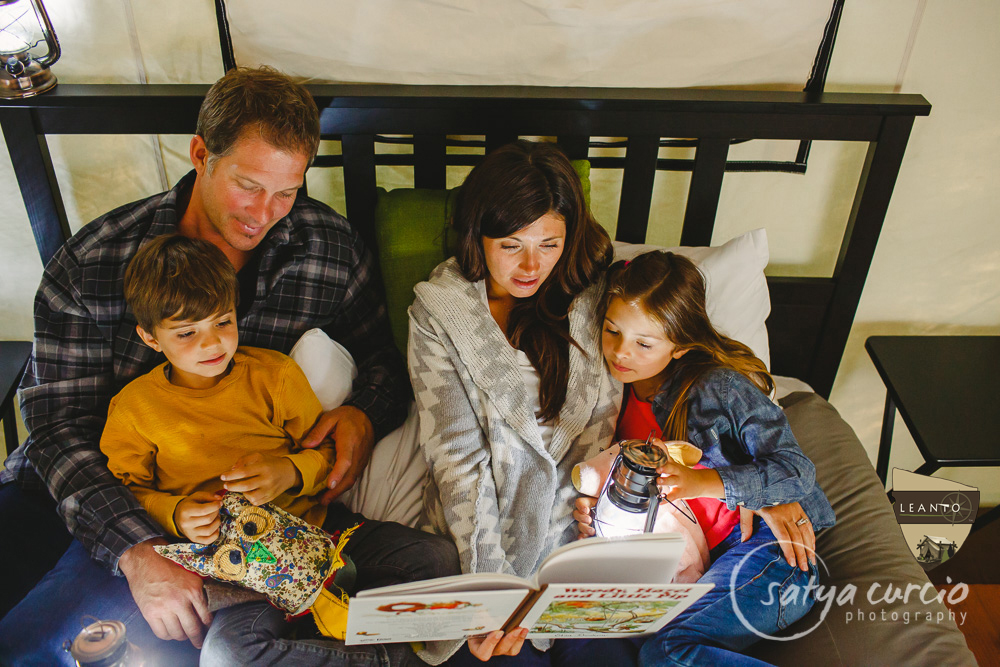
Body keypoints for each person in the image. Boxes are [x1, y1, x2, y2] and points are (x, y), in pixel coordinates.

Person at [0, 66, 420, 664]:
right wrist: (138, 548)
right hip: (99, 491)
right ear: (202, 155)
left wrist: (362, 413)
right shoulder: (95, 262)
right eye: (248, 184)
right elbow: (55, 428)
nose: (265, 211)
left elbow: (384, 357)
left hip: (258, 516)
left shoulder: (326, 249)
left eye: (287, 189)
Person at [407, 140, 631, 664]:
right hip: (483, 544)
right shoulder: (438, 314)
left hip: (578, 542)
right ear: (477, 236)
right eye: (511, 245)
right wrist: (496, 588)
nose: (533, 266)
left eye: (550, 244)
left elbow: (677, 362)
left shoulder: (601, 301)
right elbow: (459, 462)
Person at [575, 250, 837, 666]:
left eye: (644, 343)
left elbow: (796, 470)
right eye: (612, 331)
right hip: (693, 560)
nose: (621, 353)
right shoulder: (607, 390)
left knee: (668, 652)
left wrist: (705, 483)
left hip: (771, 554)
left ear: (679, 346)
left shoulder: (718, 388)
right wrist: (598, 507)